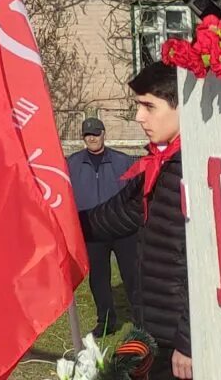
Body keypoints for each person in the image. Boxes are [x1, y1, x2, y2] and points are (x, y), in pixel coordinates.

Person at [81, 64, 190, 380]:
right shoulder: (160, 164)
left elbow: (204, 264)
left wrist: (189, 341)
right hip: (156, 328)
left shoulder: (191, 169)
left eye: (149, 107)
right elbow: (115, 214)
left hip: (181, 342)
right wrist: (65, 225)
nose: (139, 117)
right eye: (138, 106)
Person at [69, 116, 139, 338]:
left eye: (96, 134)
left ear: (104, 134)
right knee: (99, 278)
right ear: (83, 138)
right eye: (88, 135)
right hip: (92, 230)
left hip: (122, 230)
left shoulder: (123, 161)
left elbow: (137, 192)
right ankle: (106, 321)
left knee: (132, 275)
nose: (92, 138)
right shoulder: (72, 164)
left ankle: (142, 319)